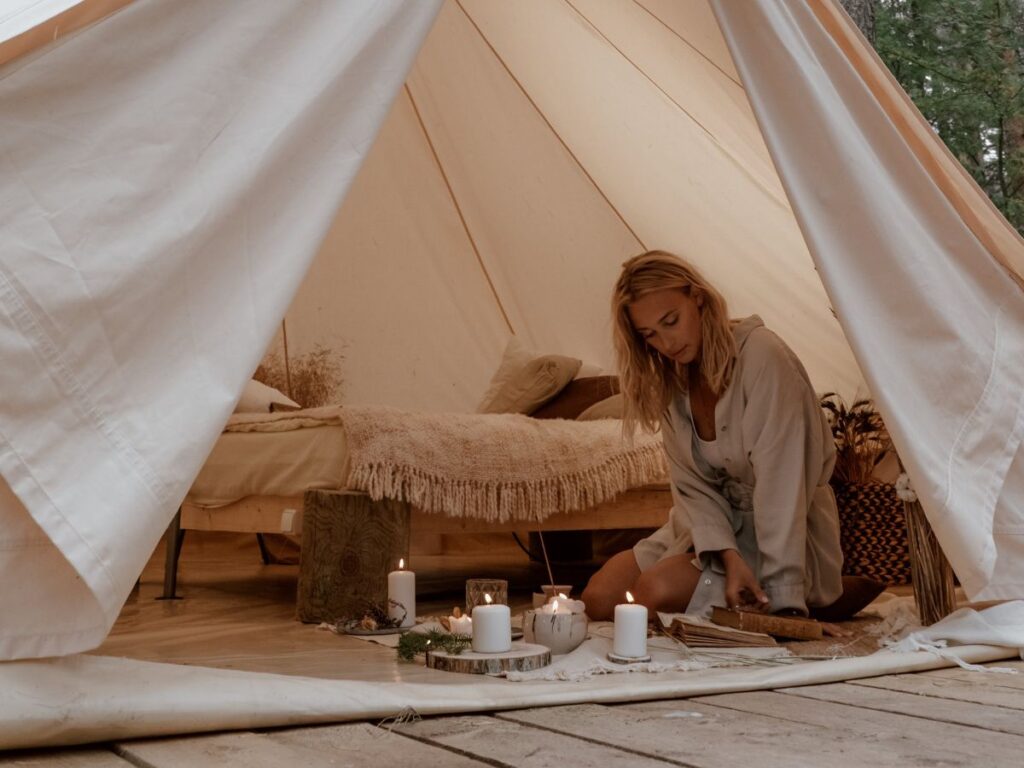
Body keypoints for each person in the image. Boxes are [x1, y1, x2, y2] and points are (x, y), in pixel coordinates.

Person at [581, 250, 844, 622]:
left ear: (698, 298)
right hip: (710, 529)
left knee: (649, 595)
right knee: (599, 597)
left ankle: (818, 595)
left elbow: (782, 483)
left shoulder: (762, 357)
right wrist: (727, 556)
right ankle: (714, 578)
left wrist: (785, 600)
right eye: (650, 335)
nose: (666, 344)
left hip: (781, 529)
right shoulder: (673, 380)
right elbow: (692, 488)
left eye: (671, 321)